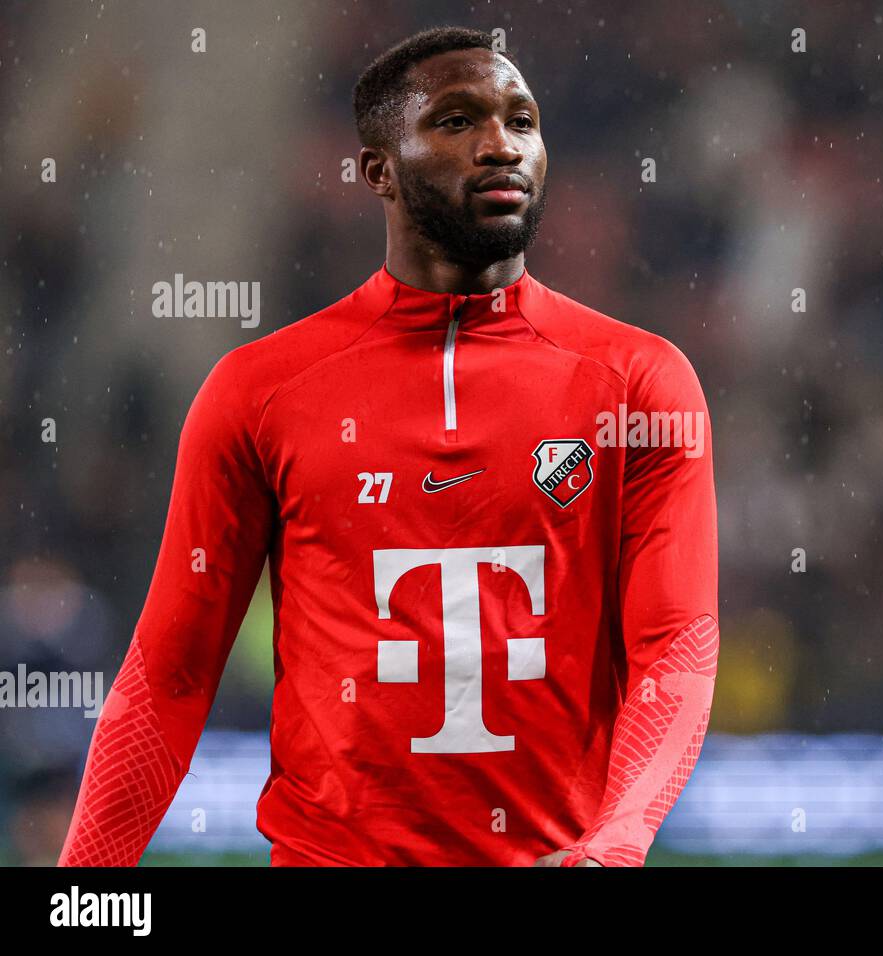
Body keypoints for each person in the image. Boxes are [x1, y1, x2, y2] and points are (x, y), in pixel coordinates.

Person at [59, 26, 719, 867]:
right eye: (456, 121)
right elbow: (170, 673)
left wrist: (616, 846)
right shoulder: (258, 392)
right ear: (378, 170)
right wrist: (82, 891)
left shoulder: (643, 384)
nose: (500, 145)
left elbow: (678, 647)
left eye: (523, 120)